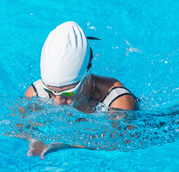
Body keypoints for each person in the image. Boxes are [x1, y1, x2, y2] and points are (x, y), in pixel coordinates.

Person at [24, 21, 140, 158]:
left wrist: (66, 143)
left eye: (68, 92)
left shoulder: (119, 101)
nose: (58, 101)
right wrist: (33, 139)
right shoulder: (35, 93)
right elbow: (18, 128)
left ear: (87, 74)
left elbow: (119, 142)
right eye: (50, 91)